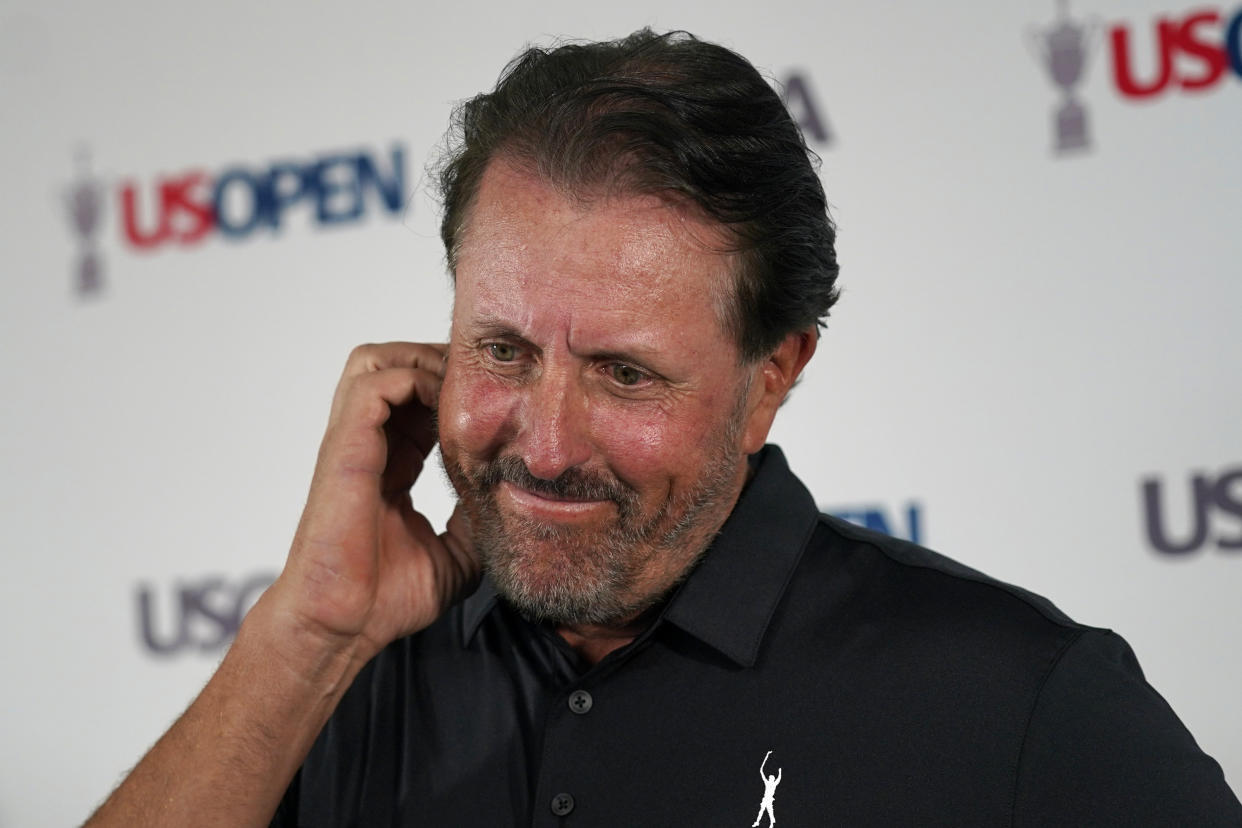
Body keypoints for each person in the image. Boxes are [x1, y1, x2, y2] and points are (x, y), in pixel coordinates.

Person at [85, 29, 1241, 827]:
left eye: (624, 374)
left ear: (774, 374)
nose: (541, 444)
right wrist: (308, 636)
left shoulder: (1022, 705)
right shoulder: (335, 685)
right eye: (501, 351)